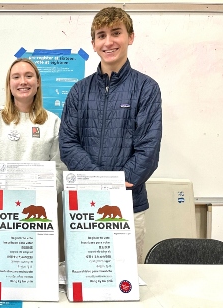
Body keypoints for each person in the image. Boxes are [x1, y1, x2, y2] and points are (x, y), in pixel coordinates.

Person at [59, 7, 162, 263]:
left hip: (129, 205)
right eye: (101, 35)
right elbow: (68, 143)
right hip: (85, 207)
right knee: (88, 276)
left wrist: (116, 185)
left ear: (131, 37)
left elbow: (148, 148)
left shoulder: (147, 89)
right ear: (93, 44)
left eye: (116, 33)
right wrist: (98, 182)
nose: (109, 41)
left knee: (126, 285)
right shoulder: (78, 91)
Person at [0, 58, 66, 220]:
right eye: (16, 77)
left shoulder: (53, 122)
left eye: (29, 76)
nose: (23, 82)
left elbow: (59, 167)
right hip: (2, 206)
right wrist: (4, 196)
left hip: (41, 203)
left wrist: (40, 195)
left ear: (38, 82)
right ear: (9, 83)